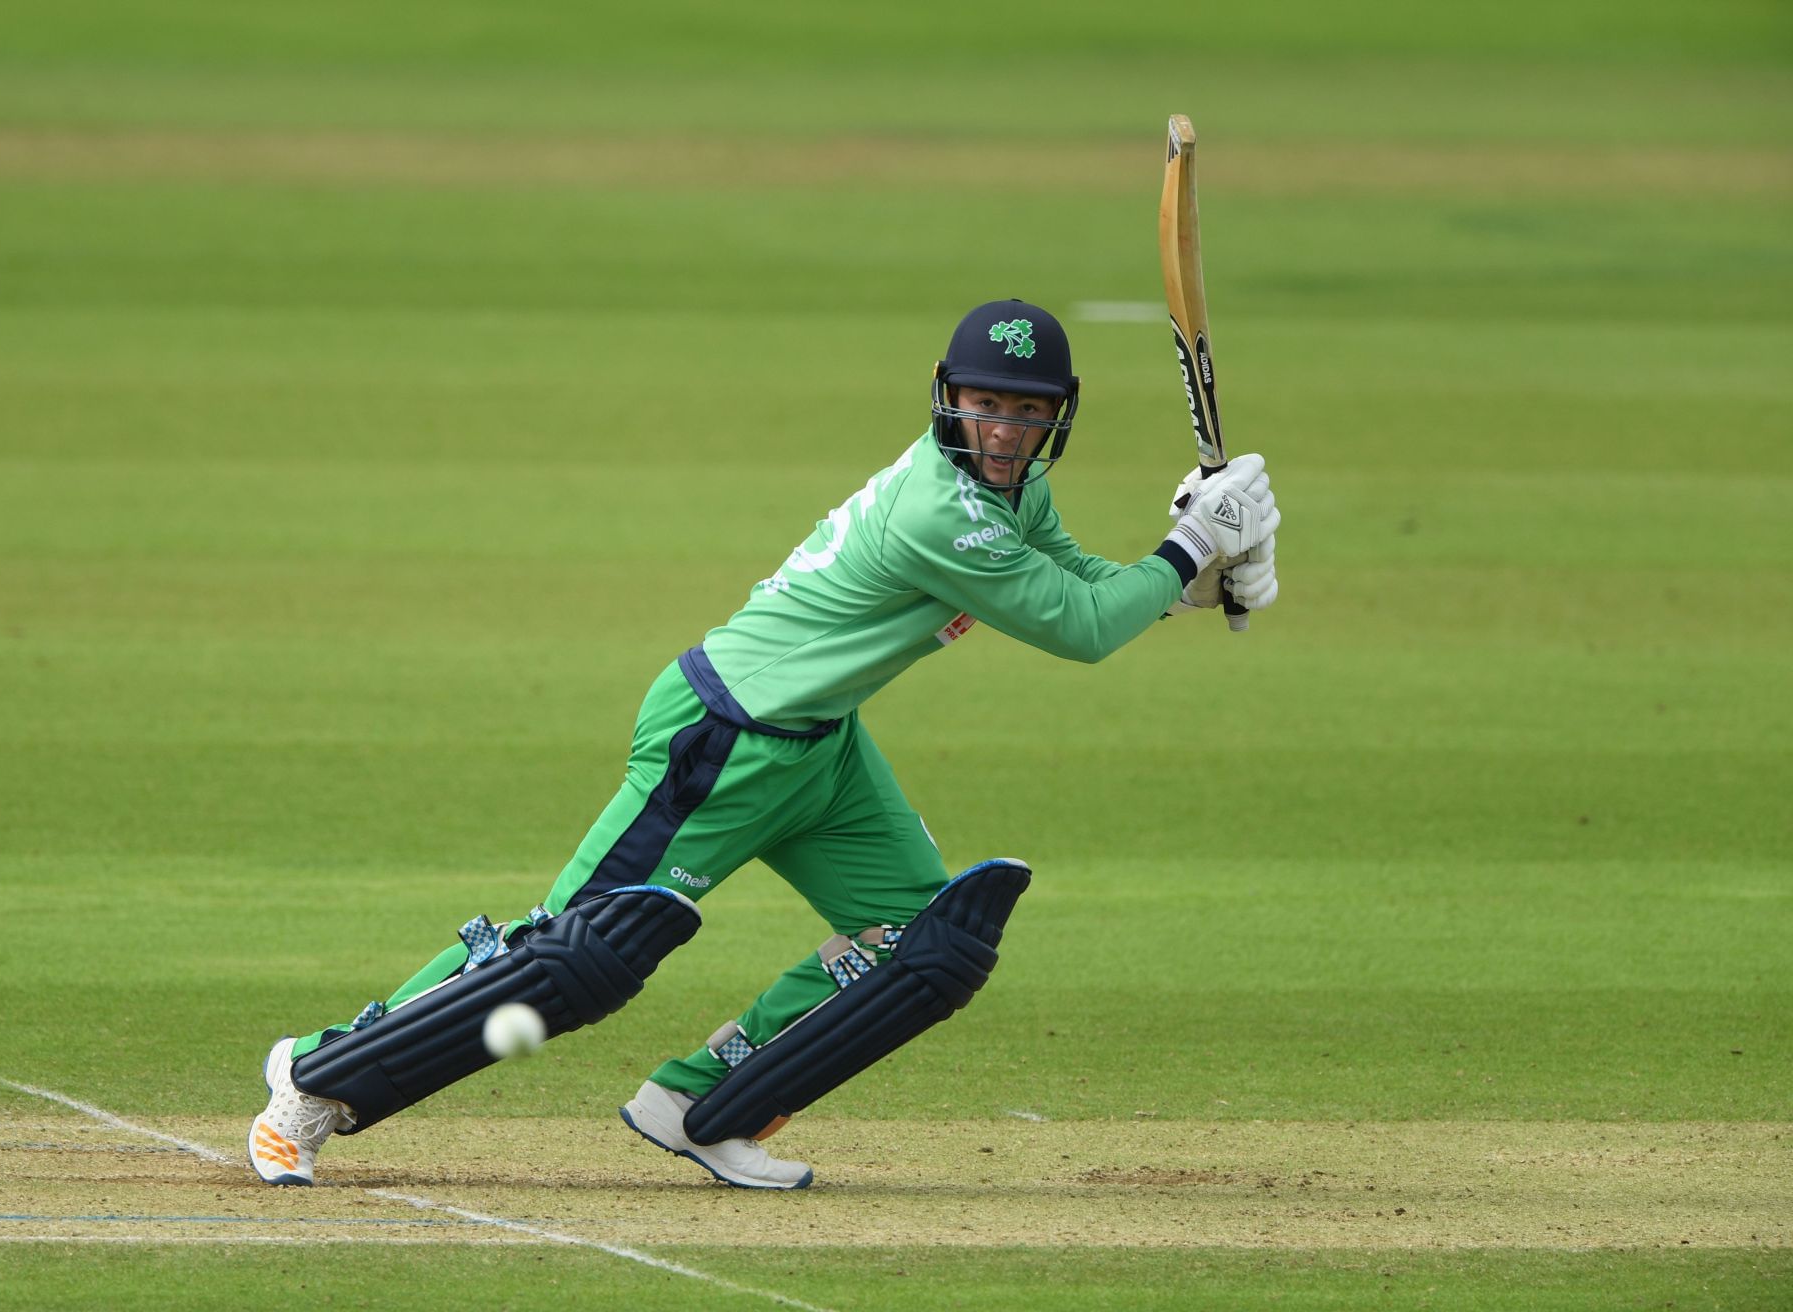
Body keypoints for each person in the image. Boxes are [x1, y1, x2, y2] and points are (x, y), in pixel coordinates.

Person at [248, 299, 1280, 1190]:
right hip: (723, 738)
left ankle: (703, 1105)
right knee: (573, 958)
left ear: (1056, 415)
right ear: (945, 395)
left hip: (821, 748)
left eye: (1027, 410)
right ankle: (318, 1077)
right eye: (986, 403)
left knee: (920, 940)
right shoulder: (939, 508)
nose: (1004, 429)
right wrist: (1190, 547)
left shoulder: (1011, 492)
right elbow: (1084, 628)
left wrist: (1186, 576)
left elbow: (1085, 589)